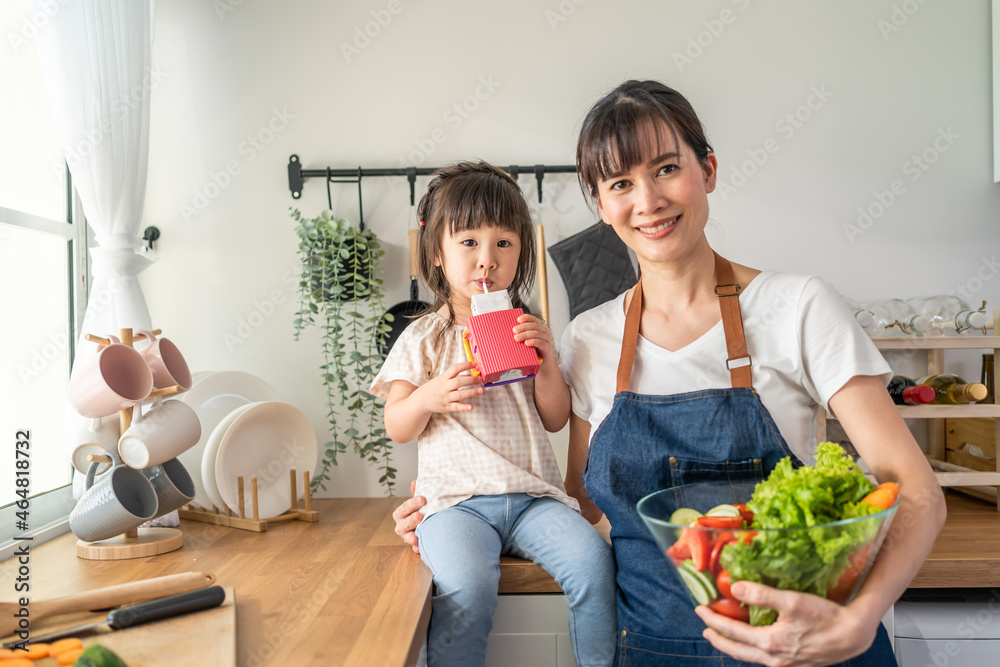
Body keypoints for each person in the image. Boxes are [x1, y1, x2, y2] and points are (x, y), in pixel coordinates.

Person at [393, 81, 947, 666]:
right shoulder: (588, 338)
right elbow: (584, 505)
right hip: (651, 649)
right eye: (620, 184)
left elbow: (915, 489)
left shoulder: (800, 306)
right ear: (603, 207)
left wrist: (859, 620)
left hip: (806, 650)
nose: (648, 200)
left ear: (707, 170)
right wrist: (459, 514)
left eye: (665, 168)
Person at [371, 161, 616, 667]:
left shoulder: (527, 327)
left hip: (532, 498)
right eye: (468, 243)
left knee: (594, 562)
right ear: (436, 254)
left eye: (504, 243)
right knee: (466, 590)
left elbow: (554, 418)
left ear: (522, 252)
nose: (487, 260)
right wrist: (427, 397)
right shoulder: (423, 337)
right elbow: (397, 426)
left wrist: (547, 366)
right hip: (456, 505)